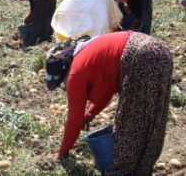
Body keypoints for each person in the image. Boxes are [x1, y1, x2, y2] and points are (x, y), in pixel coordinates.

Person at [45, 31, 173, 175]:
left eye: (61, 84)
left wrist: (62, 152)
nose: (65, 87)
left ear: (63, 74)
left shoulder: (75, 73)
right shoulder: (86, 55)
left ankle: (124, 171)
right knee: (154, 118)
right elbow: (106, 92)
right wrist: (89, 114)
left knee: (130, 126)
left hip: (140, 57)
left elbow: (74, 120)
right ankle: (143, 168)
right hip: (160, 52)